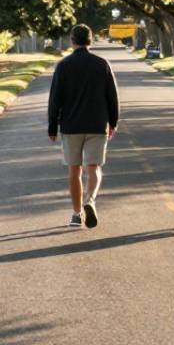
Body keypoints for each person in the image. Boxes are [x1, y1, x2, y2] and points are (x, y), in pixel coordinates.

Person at [47, 24, 120, 228]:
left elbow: (55, 100)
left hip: (71, 126)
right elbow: (112, 97)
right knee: (94, 167)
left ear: (72, 41)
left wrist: (52, 127)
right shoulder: (102, 64)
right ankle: (90, 200)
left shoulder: (63, 65)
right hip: (97, 124)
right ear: (90, 40)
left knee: (74, 171)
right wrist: (113, 122)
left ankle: (77, 214)